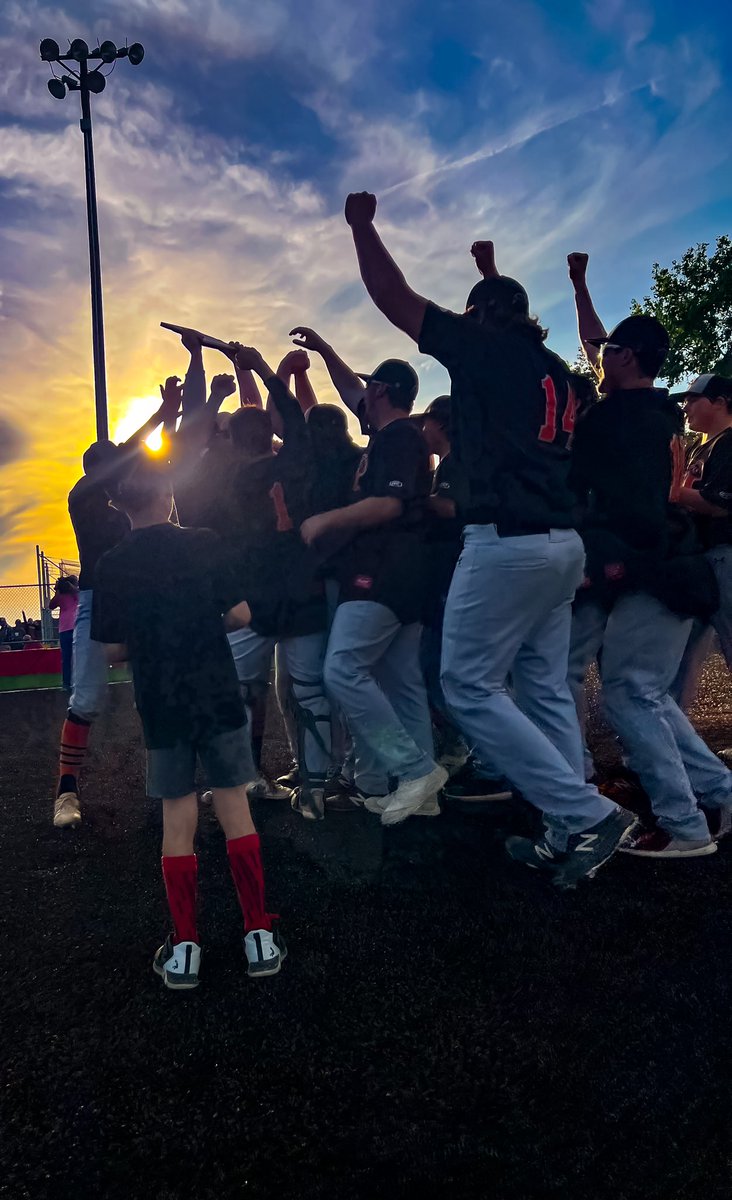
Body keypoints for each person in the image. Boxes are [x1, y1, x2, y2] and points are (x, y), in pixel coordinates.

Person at [343, 192, 636, 885]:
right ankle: (569, 828)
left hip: (506, 544)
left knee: (468, 686)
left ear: (479, 316)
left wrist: (361, 226)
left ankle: (588, 814)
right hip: (560, 545)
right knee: (543, 689)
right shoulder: (557, 371)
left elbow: (393, 296)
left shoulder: (487, 350)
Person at [91, 452, 285, 990]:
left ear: (119, 504)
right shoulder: (203, 542)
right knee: (234, 809)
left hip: (161, 701)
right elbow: (242, 614)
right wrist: (203, 619)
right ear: (168, 493)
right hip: (217, 694)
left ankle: (185, 949)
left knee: (177, 820)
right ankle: (258, 936)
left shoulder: (112, 565)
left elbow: (110, 650)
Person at [567, 252, 732, 858]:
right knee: (644, 693)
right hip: (670, 565)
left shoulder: (617, 421)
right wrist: (580, 283)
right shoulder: (656, 411)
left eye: (611, 351)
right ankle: (719, 790)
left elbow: (630, 510)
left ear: (627, 358)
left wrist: (602, 566)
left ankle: (685, 826)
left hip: (649, 568)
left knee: (631, 693)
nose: (599, 357)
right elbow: (596, 344)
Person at [301, 354, 447, 825]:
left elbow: (388, 504)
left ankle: (414, 770)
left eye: (369, 389)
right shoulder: (389, 437)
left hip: (382, 572)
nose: (360, 397)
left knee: (341, 670)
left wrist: (326, 521)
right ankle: (421, 795)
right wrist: (324, 350)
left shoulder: (400, 436)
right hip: (404, 576)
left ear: (380, 391)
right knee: (402, 681)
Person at [204, 345, 333, 822]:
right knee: (311, 691)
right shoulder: (295, 462)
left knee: (237, 689)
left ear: (234, 443)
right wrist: (261, 369)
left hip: (253, 600)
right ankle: (316, 787)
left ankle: (237, 783)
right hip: (303, 593)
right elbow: (296, 425)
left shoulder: (224, 482)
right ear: (271, 436)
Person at [51, 388, 180, 829]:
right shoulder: (82, 495)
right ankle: (66, 793)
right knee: (86, 697)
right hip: (95, 598)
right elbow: (129, 455)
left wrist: (167, 418)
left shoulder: (128, 501)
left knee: (155, 689)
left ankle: (167, 784)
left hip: (136, 597)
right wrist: (161, 414)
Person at [671, 374, 732, 708]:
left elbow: (721, 504)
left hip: (726, 555)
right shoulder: (702, 445)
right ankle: (670, 738)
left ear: (720, 402)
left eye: (693, 399)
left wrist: (673, 492)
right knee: (682, 656)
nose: (686, 406)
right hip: (703, 560)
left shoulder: (729, 443)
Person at [49, 575, 79, 692]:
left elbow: (78, 593)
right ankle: (68, 683)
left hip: (71, 628)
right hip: (68, 629)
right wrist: (58, 590)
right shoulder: (63, 596)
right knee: (68, 658)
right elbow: (51, 605)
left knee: (73, 658)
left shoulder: (75, 594)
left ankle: (72, 683)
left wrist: (66, 587)